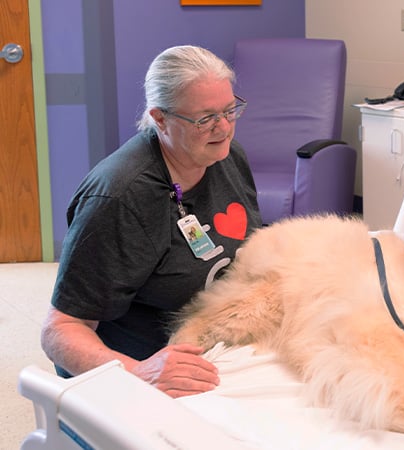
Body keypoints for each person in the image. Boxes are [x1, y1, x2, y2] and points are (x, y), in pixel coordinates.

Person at [41, 45, 263, 398]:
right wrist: (139, 373)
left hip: (215, 345)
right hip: (145, 369)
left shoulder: (226, 156)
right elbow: (61, 330)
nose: (223, 127)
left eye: (229, 109)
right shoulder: (119, 197)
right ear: (160, 118)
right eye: (205, 118)